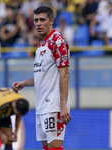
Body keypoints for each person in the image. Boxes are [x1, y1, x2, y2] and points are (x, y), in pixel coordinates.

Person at [12, 6, 71, 150]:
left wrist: (62, 105)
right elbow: (42, 76)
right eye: (36, 20)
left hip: (54, 104)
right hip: (42, 104)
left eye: (42, 20)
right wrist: (24, 83)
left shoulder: (58, 42)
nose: (38, 23)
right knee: (46, 147)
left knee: (55, 146)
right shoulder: (42, 44)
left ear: (51, 21)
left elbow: (64, 73)